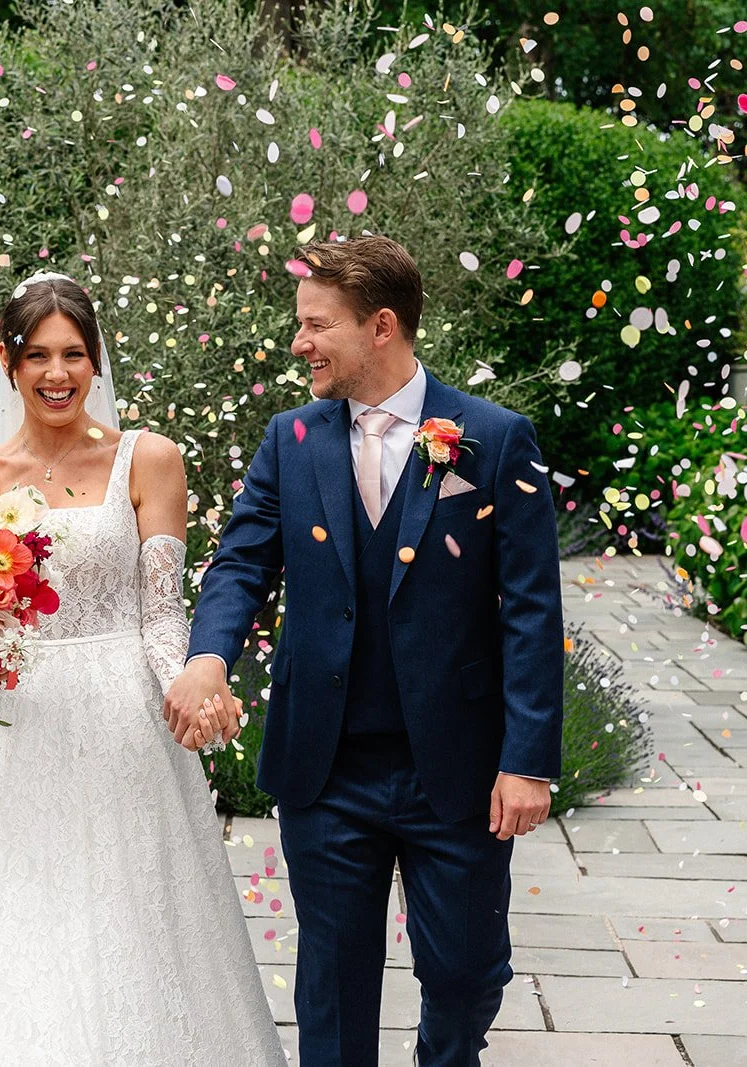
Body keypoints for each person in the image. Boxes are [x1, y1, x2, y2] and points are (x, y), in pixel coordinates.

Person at [0, 274, 282, 1065]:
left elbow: (161, 610)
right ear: (7, 361)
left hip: (120, 722)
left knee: (126, 921)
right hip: (7, 725)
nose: (57, 373)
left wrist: (187, 684)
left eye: (74, 353)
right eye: (38, 354)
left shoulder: (149, 460)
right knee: (4, 916)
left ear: (97, 359)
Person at [168, 236, 565, 1066]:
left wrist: (528, 759)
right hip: (327, 762)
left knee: (463, 977)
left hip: (456, 766)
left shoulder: (494, 438)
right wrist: (209, 655)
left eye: (316, 325)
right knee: (333, 986)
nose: (298, 343)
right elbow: (243, 560)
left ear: (381, 326)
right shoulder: (291, 439)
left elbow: (531, 608)